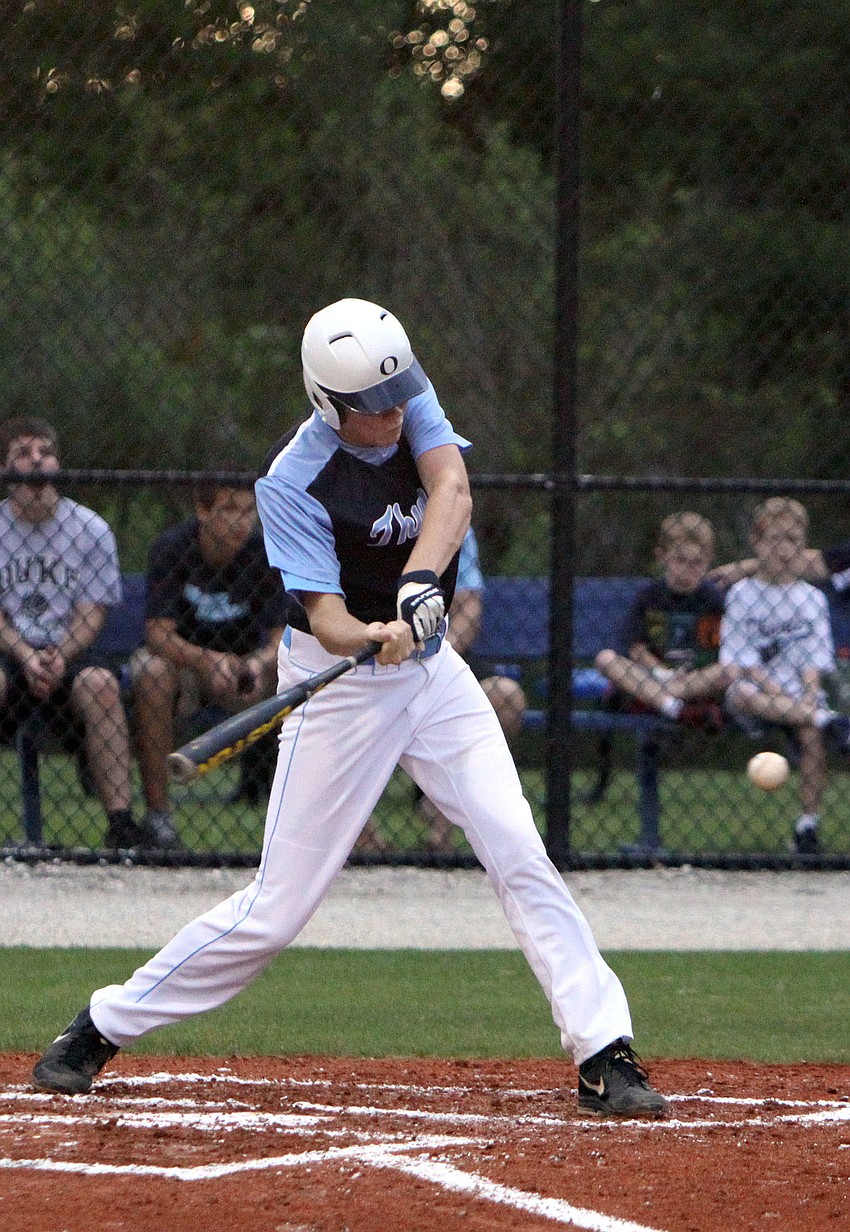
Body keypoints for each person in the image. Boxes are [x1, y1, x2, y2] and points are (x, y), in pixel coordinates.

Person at [31, 297, 666, 1119]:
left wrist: (416, 588)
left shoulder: (400, 392)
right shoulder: (292, 480)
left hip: (434, 677)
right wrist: (373, 631)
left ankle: (603, 1050)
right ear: (328, 405)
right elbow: (325, 619)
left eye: (400, 396)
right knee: (275, 911)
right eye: (372, 409)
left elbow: (451, 488)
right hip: (343, 685)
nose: (394, 414)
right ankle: (100, 1026)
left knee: (518, 848)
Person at [0, 417, 145, 849]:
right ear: (7, 473)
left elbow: (91, 613)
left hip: (70, 652)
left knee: (101, 683)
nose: (36, 461)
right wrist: (25, 655)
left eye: (44, 452)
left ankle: (121, 824)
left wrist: (59, 654)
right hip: (10, 652)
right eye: (22, 454)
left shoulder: (89, 528)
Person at [130, 474, 289, 848]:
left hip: (247, 668)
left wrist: (258, 663)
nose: (241, 522)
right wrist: (207, 661)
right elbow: (159, 635)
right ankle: (158, 816)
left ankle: (297, 819)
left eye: (249, 511)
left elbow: (283, 636)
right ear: (203, 511)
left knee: (298, 671)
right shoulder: (173, 549)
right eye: (229, 510)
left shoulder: (265, 552)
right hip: (185, 667)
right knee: (150, 672)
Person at [720, 497, 850, 855]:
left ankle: (807, 827)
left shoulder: (811, 598)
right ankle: (828, 719)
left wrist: (807, 696)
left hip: (797, 694)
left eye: (793, 540)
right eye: (775, 539)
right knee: (743, 694)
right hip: (754, 687)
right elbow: (738, 661)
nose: (784, 548)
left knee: (812, 735)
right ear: (757, 544)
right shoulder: (741, 594)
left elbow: (814, 661)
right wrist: (779, 692)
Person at [595, 512, 733, 728]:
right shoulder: (649, 597)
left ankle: (666, 701)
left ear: (708, 561)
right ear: (663, 556)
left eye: (696, 562)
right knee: (606, 659)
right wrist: (662, 672)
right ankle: (674, 709)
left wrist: (688, 679)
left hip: (695, 682)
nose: (687, 570)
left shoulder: (715, 601)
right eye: (680, 560)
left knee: (729, 671)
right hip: (654, 676)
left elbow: (723, 654)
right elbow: (636, 648)